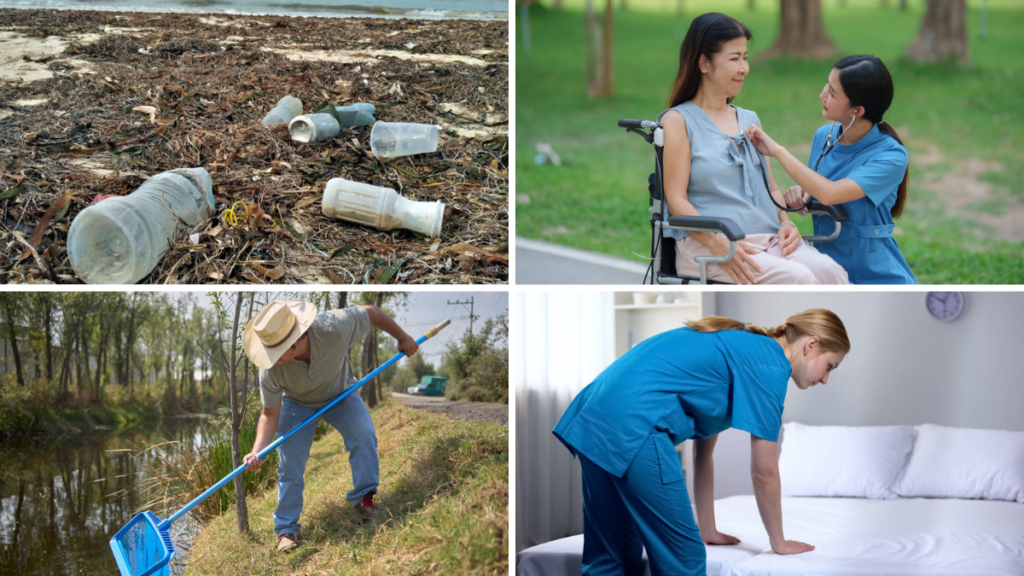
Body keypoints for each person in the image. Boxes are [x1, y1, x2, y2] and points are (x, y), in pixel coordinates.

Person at [553, 310, 851, 576]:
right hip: (634, 425)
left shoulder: (741, 344)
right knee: (685, 560)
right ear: (811, 345)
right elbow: (765, 473)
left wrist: (707, 528)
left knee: (611, 556)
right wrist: (779, 543)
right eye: (830, 366)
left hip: (593, 416)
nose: (825, 379)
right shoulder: (770, 365)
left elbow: (702, 454)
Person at [660, 13, 848, 285]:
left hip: (769, 239)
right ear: (704, 63)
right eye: (734, 58)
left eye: (745, 57)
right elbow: (676, 201)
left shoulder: (749, 119)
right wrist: (717, 242)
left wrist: (786, 223)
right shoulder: (678, 121)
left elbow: (771, 189)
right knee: (799, 279)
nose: (744, 68)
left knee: (832, 273)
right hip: (709, 246)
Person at [240, 300, 419, 553]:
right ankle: (286, 530)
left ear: (298, 338)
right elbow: (269, 414)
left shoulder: (333, 327)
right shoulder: (270, 369)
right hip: (296, 404)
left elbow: (372, 313)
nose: (273, 359)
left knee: (363, 435)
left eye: (278, 351)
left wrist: (402, 336)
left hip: (341, 393)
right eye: (270, 351)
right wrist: (257, 450)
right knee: (290, 464)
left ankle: (364, 500)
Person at [743, 55, 916, 284]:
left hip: (871, 271)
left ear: (857, 110)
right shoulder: (823, 136)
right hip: (821, 265)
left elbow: (830, 193)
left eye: (833, 92)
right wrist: (801, 193)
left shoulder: (891, 156)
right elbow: (817, 188)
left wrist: (777, 151)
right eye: (827, 85)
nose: (822, 94)